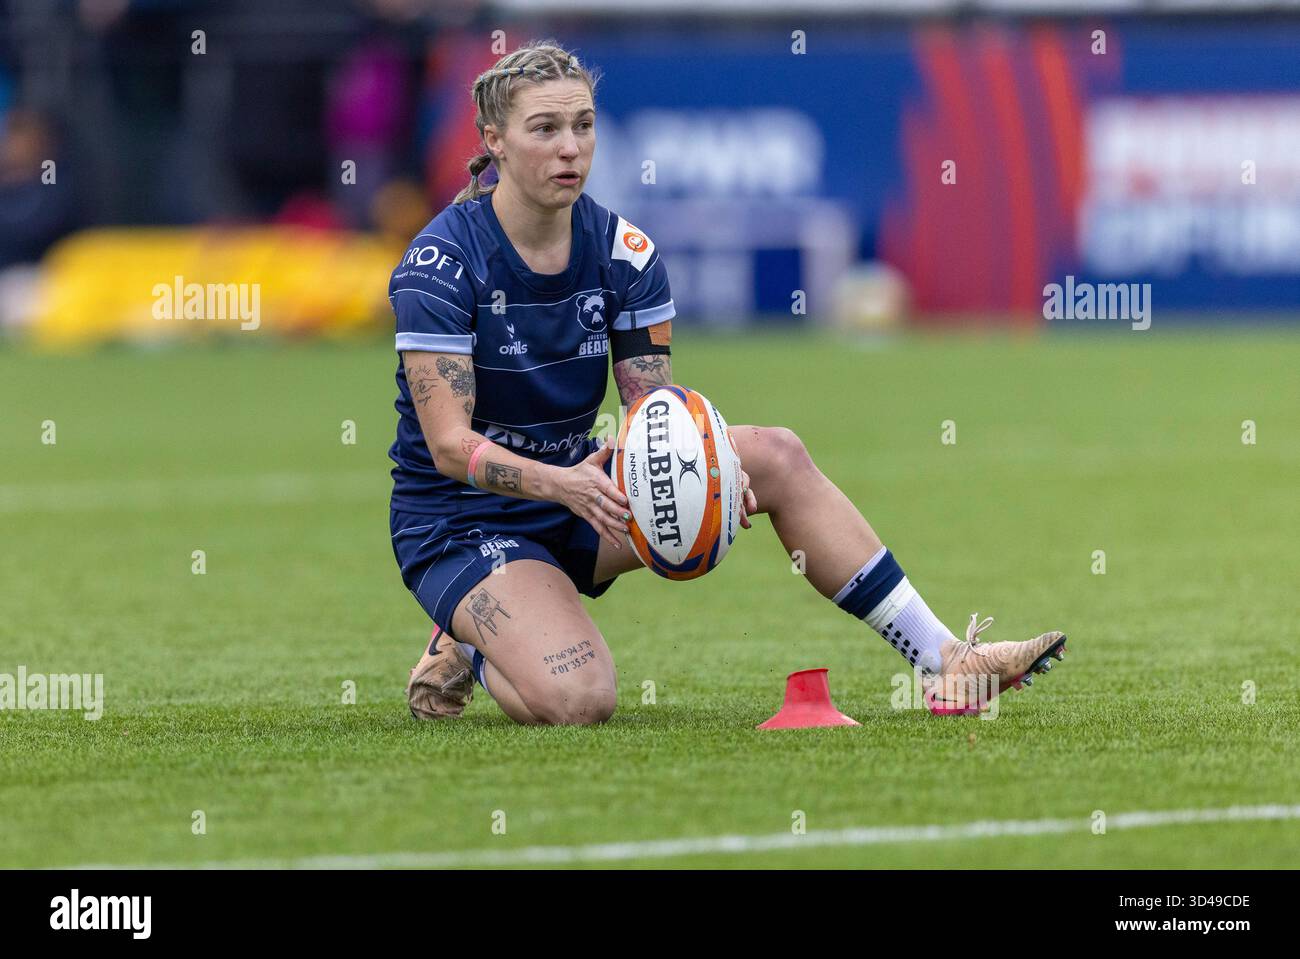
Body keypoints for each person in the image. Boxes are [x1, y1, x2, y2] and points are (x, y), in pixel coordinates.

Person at [388, 40, 1067, 726]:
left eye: (583, 125)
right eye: (545, 129)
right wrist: (561, 482)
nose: (571, 148)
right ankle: (467, 637)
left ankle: (946, 660)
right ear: (493, 141)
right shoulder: (441, 264)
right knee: (580, 700)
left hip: (583, 491)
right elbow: (449, 446)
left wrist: (706, 467)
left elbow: (650, 415)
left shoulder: (626, 255)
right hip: (461, 522)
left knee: (773, 455)